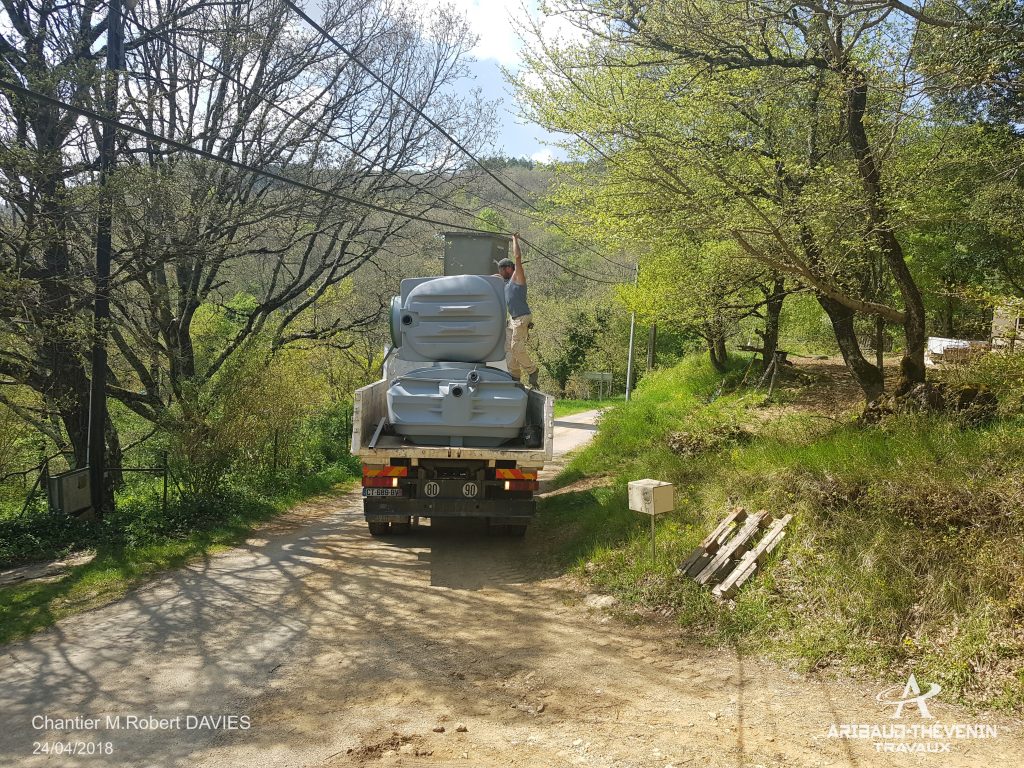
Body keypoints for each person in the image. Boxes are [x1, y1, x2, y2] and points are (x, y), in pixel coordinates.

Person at [497, 235, 539, 388]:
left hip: (522, 317)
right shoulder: (506, 283)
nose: (500, 273)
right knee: (508, 350)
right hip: (513, 319)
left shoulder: (517, 277)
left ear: (508, 269)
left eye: (501, 271)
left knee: (516, 347)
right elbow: (495, 279)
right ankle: (515, 377)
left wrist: (514, 239)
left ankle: (532, 370)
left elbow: (517, 256)